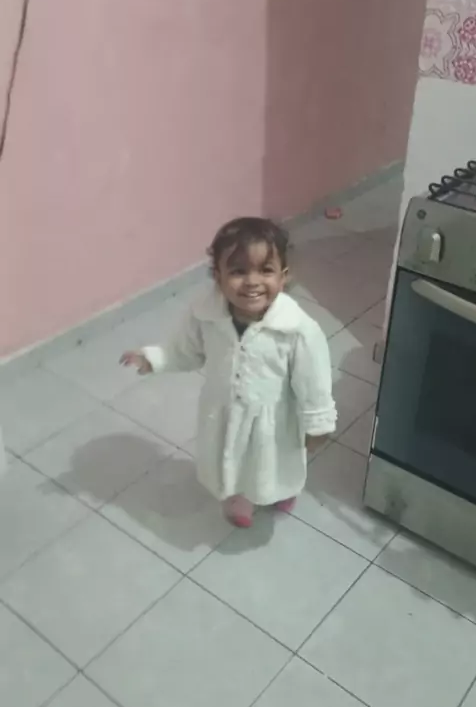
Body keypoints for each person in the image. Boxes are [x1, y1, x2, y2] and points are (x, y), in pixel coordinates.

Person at [120, 217, 337, 528]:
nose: (252, 282)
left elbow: (314, 382)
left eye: (265, 270)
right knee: (232, 458)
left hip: (275, 419)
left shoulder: (297, 330)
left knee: (272, 463)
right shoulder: (205, 315)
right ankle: (239, 496)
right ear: (217, 277)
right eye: (238, 271)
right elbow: (184, 350)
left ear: (284, 276)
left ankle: (280, 491)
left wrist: (318, 424)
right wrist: (153, 359)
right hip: (224, 410)